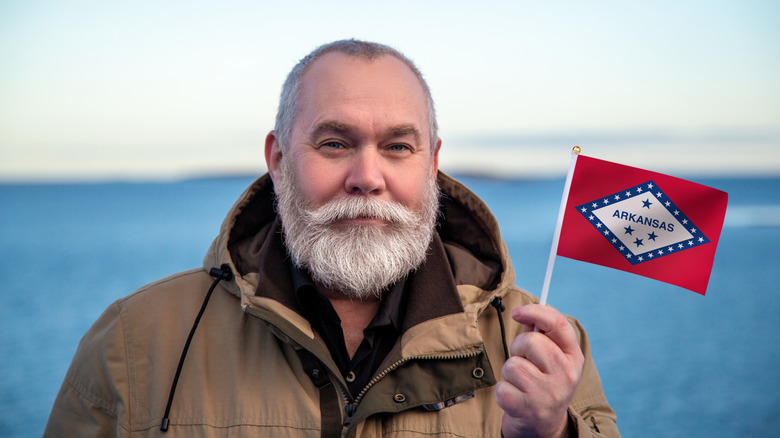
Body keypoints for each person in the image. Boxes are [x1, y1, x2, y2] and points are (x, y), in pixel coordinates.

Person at [45, 39, 620, 437]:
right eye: (335, 144)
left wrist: (551, 433)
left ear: (432, 162)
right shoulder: (136, 341)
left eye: (398, 147)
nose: (367, 177)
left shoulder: (543, 350)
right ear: (278, 159)